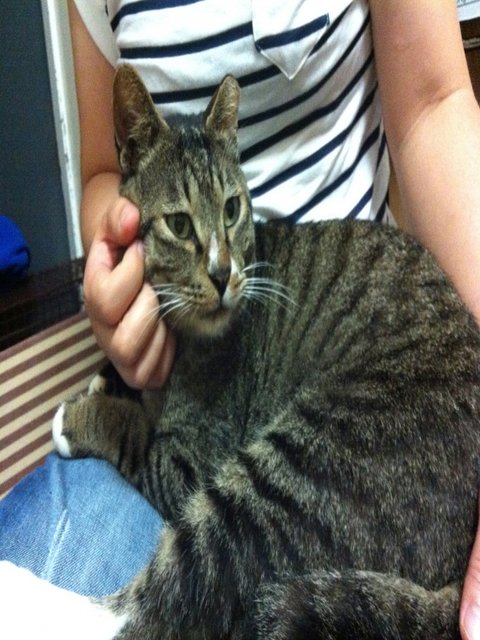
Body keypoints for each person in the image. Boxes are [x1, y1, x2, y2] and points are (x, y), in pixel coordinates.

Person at [2, 0, 480, 637]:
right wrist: (115, 272)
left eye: (231, 214)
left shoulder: (254, 314)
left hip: (395, 404)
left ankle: (124, 621)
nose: (222, 267)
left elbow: (435, 107)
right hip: (278, 405)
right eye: (183, 227)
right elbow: (101, 176)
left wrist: (115, 427)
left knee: (210, 556)